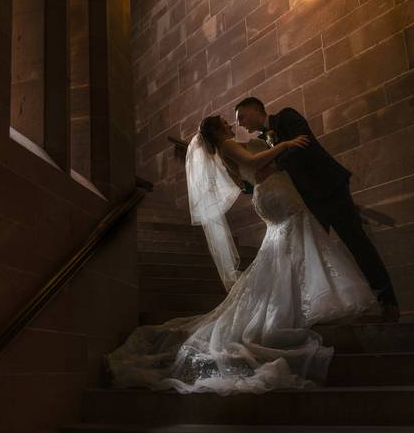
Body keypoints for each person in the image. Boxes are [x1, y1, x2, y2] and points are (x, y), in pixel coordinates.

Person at [105, 116, 379, 395]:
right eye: (224, 121)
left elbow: (245, 176)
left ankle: (303, 300)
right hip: (274, 192)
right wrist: (283, 145)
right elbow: (251, 164)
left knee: (285, 247)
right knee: (295, 235)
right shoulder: (227, 145)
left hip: (269, 193)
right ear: (216, 129)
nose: (228, 122)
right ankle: (302, 304)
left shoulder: (226, 150)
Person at [235, 97, 400, 322]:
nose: (241, 124)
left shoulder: (286, 116)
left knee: (357, 243)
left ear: (256, 108)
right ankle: (332, 308)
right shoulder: (262, 140)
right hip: (306, 202)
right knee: (318, 254)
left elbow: (304, 146)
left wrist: (276, 160)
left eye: (242, 117)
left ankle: (387, 300)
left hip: (329, 189)